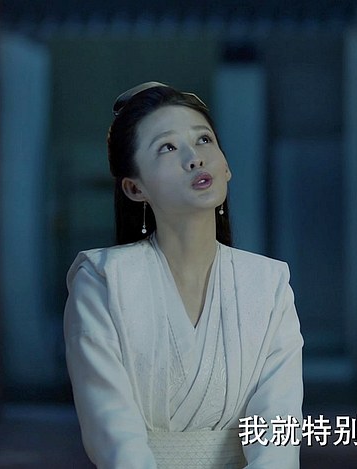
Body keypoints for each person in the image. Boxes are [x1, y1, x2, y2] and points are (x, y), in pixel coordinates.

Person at [64, 82, 303, 468]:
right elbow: (112, 431)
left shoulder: (268, 283)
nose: (195, 159)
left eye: (204, 140)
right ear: (135, 188)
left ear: (226, 166)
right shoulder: (102, 280)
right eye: (167, 147)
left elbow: (277, 428)